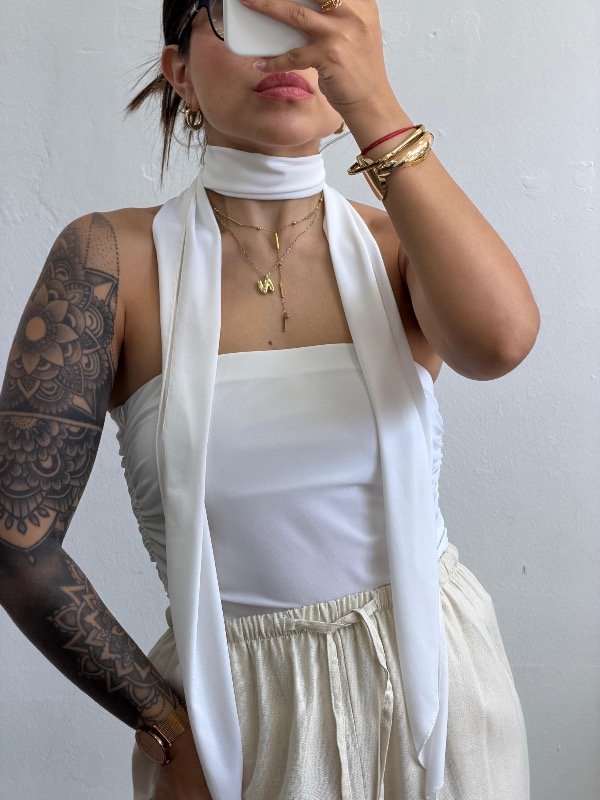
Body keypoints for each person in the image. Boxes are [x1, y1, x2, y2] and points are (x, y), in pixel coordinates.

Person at [0, 1, 540, 799]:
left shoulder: (403, 248)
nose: (286, 47)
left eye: (313, 14)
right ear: (180, 71)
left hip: (443, 696)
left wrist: (373, 102)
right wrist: (165, 725)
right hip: (232, 717)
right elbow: (18, 543)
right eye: (247, 14)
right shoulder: (109, 260)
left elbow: (501, 342)